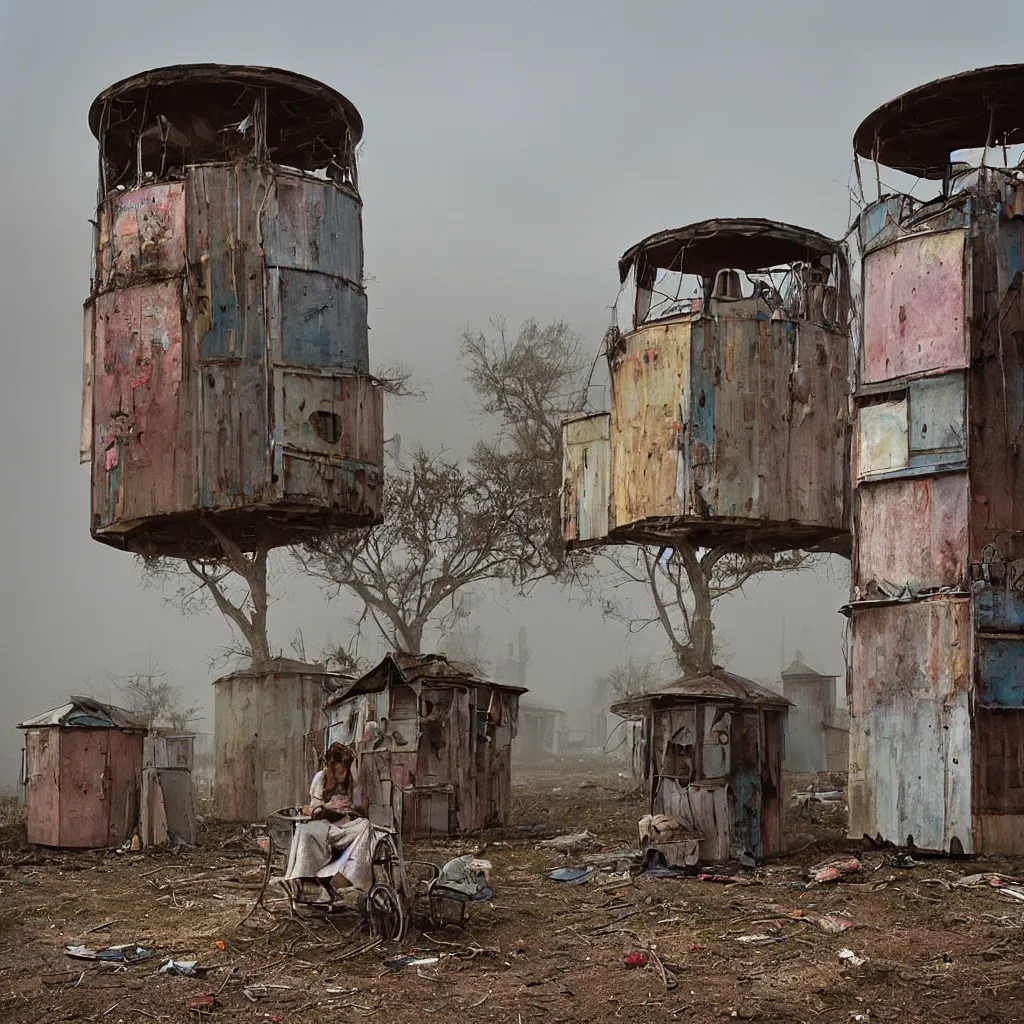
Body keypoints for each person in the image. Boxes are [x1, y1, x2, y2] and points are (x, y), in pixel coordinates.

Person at [278, 744, 375, 901]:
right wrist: (329, 806)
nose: (343, 773)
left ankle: (350, 877)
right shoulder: (321, 778)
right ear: (332, 766)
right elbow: (313, 810)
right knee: (309, 832)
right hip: (324, 825)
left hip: (343, 824)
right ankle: (326, 878)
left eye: (345, 768)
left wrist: (352, 808)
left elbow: (360, 806)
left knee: (365, 825)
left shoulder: (350, 779)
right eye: (340, 768)